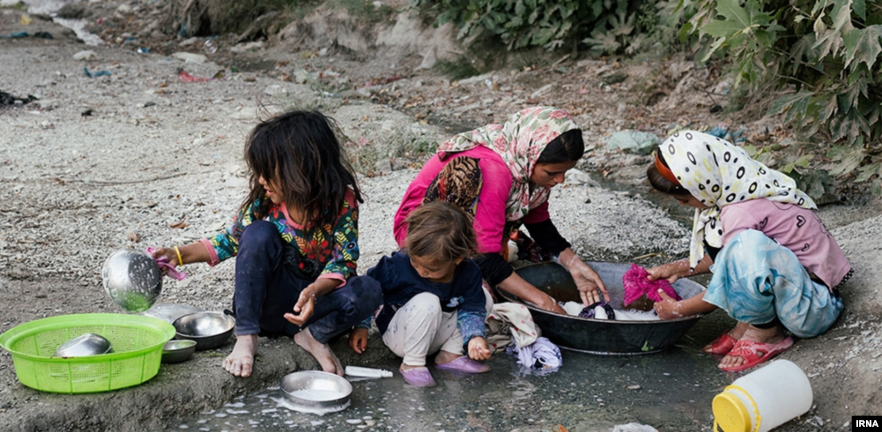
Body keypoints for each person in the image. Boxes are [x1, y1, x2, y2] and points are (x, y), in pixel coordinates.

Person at [153, 110, 382, 378]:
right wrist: (177, 255)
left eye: (268, 172)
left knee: (372, 288)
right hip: (270, 309)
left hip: (314, 310)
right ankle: (247, 337)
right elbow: (230, 240)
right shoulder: (265, 201)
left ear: (299, 171)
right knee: (257, 234)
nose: (261, 180)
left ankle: (313, 337)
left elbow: (343, 262)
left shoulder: (342, 201)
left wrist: (315, 292)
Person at [645, 130, 853, 372]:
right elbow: (723, 258)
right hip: (801, 292)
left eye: (685, 200)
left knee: (746, 249)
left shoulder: (739, 213)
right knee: (743, 253)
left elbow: (732, 279)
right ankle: (752, 322)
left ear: (704, 185)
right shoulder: (743, 185)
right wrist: (676, 269)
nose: (682, 205)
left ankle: (766, 332)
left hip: (813, 310)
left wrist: (679, 310)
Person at [393, 107, 610, 315]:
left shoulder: (521, 162)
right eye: (553, 172)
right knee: (482, 298)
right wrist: (545, 301)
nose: (560, 180)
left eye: (565, 172)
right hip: (424, 235)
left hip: (470, 226)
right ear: (531, 157)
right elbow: (483, 256)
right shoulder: (494, 171)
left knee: (511, 273)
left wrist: (574, 264)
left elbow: (538, 220)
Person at [350, 201, 491, 387]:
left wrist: (474, 337)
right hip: (403, 337)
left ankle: (450, 355)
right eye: (415, 263)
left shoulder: (469, 272)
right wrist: (362, 324)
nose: (421, 272)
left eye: (431, 269)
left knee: (484, 296)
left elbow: (472, 309)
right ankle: (412, 364)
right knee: (428, 301)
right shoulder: (398, 265)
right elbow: (369, 288)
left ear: (458, 258)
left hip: (437, 331)